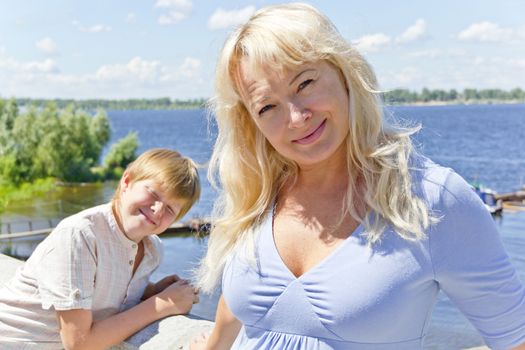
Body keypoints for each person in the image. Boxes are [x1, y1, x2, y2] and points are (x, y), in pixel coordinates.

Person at [190, 3, 525, 350]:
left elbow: (516, 338)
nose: (296, 116)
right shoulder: (258, 194)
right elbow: (240, 298)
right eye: (267, 106)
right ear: (252, 122)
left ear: (345, 72)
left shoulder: (431, 199)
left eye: (304, 83)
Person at [0, 148, 201, 349]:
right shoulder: (81, 235)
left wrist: (150, 291)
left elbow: (108, 286)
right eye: (153, 193)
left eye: (170, 209)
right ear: (126, 182)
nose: (157, 210)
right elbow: (79, 344)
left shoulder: (152, 250)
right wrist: (162, 304)